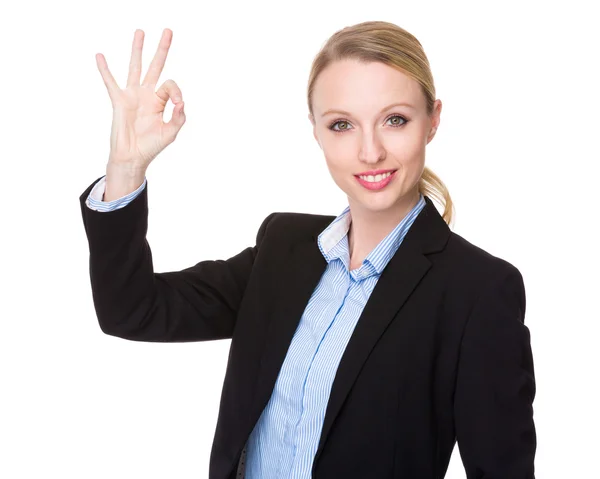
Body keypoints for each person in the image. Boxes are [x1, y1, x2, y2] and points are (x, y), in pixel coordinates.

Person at [79, 22, 536, 479]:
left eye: (395, 119)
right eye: (342, 125)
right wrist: (125, 167)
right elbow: (132, 310)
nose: (371, 151)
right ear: (316, 131)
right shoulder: (283, 248)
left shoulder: (477, 292)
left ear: (433, 120)